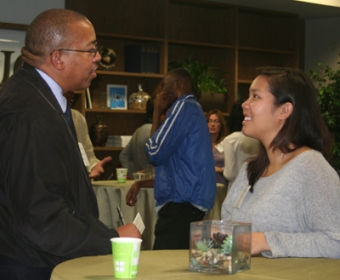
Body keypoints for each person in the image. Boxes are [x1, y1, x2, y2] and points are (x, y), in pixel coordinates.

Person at [0, 9, 140, 280]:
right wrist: (110, 238)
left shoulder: (38, 99)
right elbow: (40, 218)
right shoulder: (30, 112)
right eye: (90, 50)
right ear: (58, 58)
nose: (99, 57)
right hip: (29, 264)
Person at [221, 67, 340, 259]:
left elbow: (336, 242)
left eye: (255, 97)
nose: (245, 104)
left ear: (284, 110)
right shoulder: (250, 169)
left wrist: (265, 241)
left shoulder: (311, 167)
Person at [126, 68, 216, 250]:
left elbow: (154, 153)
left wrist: (157, 109)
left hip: (181, 205)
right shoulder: (192, 110)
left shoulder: (183, 106)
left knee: (163, 265)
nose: (162, 92)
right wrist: (140, 184)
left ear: (177, 85)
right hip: (187, 203)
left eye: (164, 85)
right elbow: (176, 168)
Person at [64, 91, 112, 179]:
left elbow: (88, 154)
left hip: (77, 181)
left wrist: (94, 167)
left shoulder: (77, 117)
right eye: (66, 90)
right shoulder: (39, 116)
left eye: (72, 90)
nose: (71, 93)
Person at [223, 101, 259, 191]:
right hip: (255, 186)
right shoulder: (257, 138)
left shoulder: (230, 140)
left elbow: (229, 174)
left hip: (236, 189)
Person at [119, 98, 153, 179]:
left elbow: (123, 156)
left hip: (142, 184)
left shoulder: (138, 131)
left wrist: (134, 175)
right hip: (155, 184)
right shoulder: (155, 132)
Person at [206, 109, 227, 186]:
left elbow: (232, 168)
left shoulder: (226, 143)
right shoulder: (200, 143)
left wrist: (220, 170)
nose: (212, 124)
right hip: (202, 185)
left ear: (221, 125)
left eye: (216, 121)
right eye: (210, 121)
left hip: (220, 186)